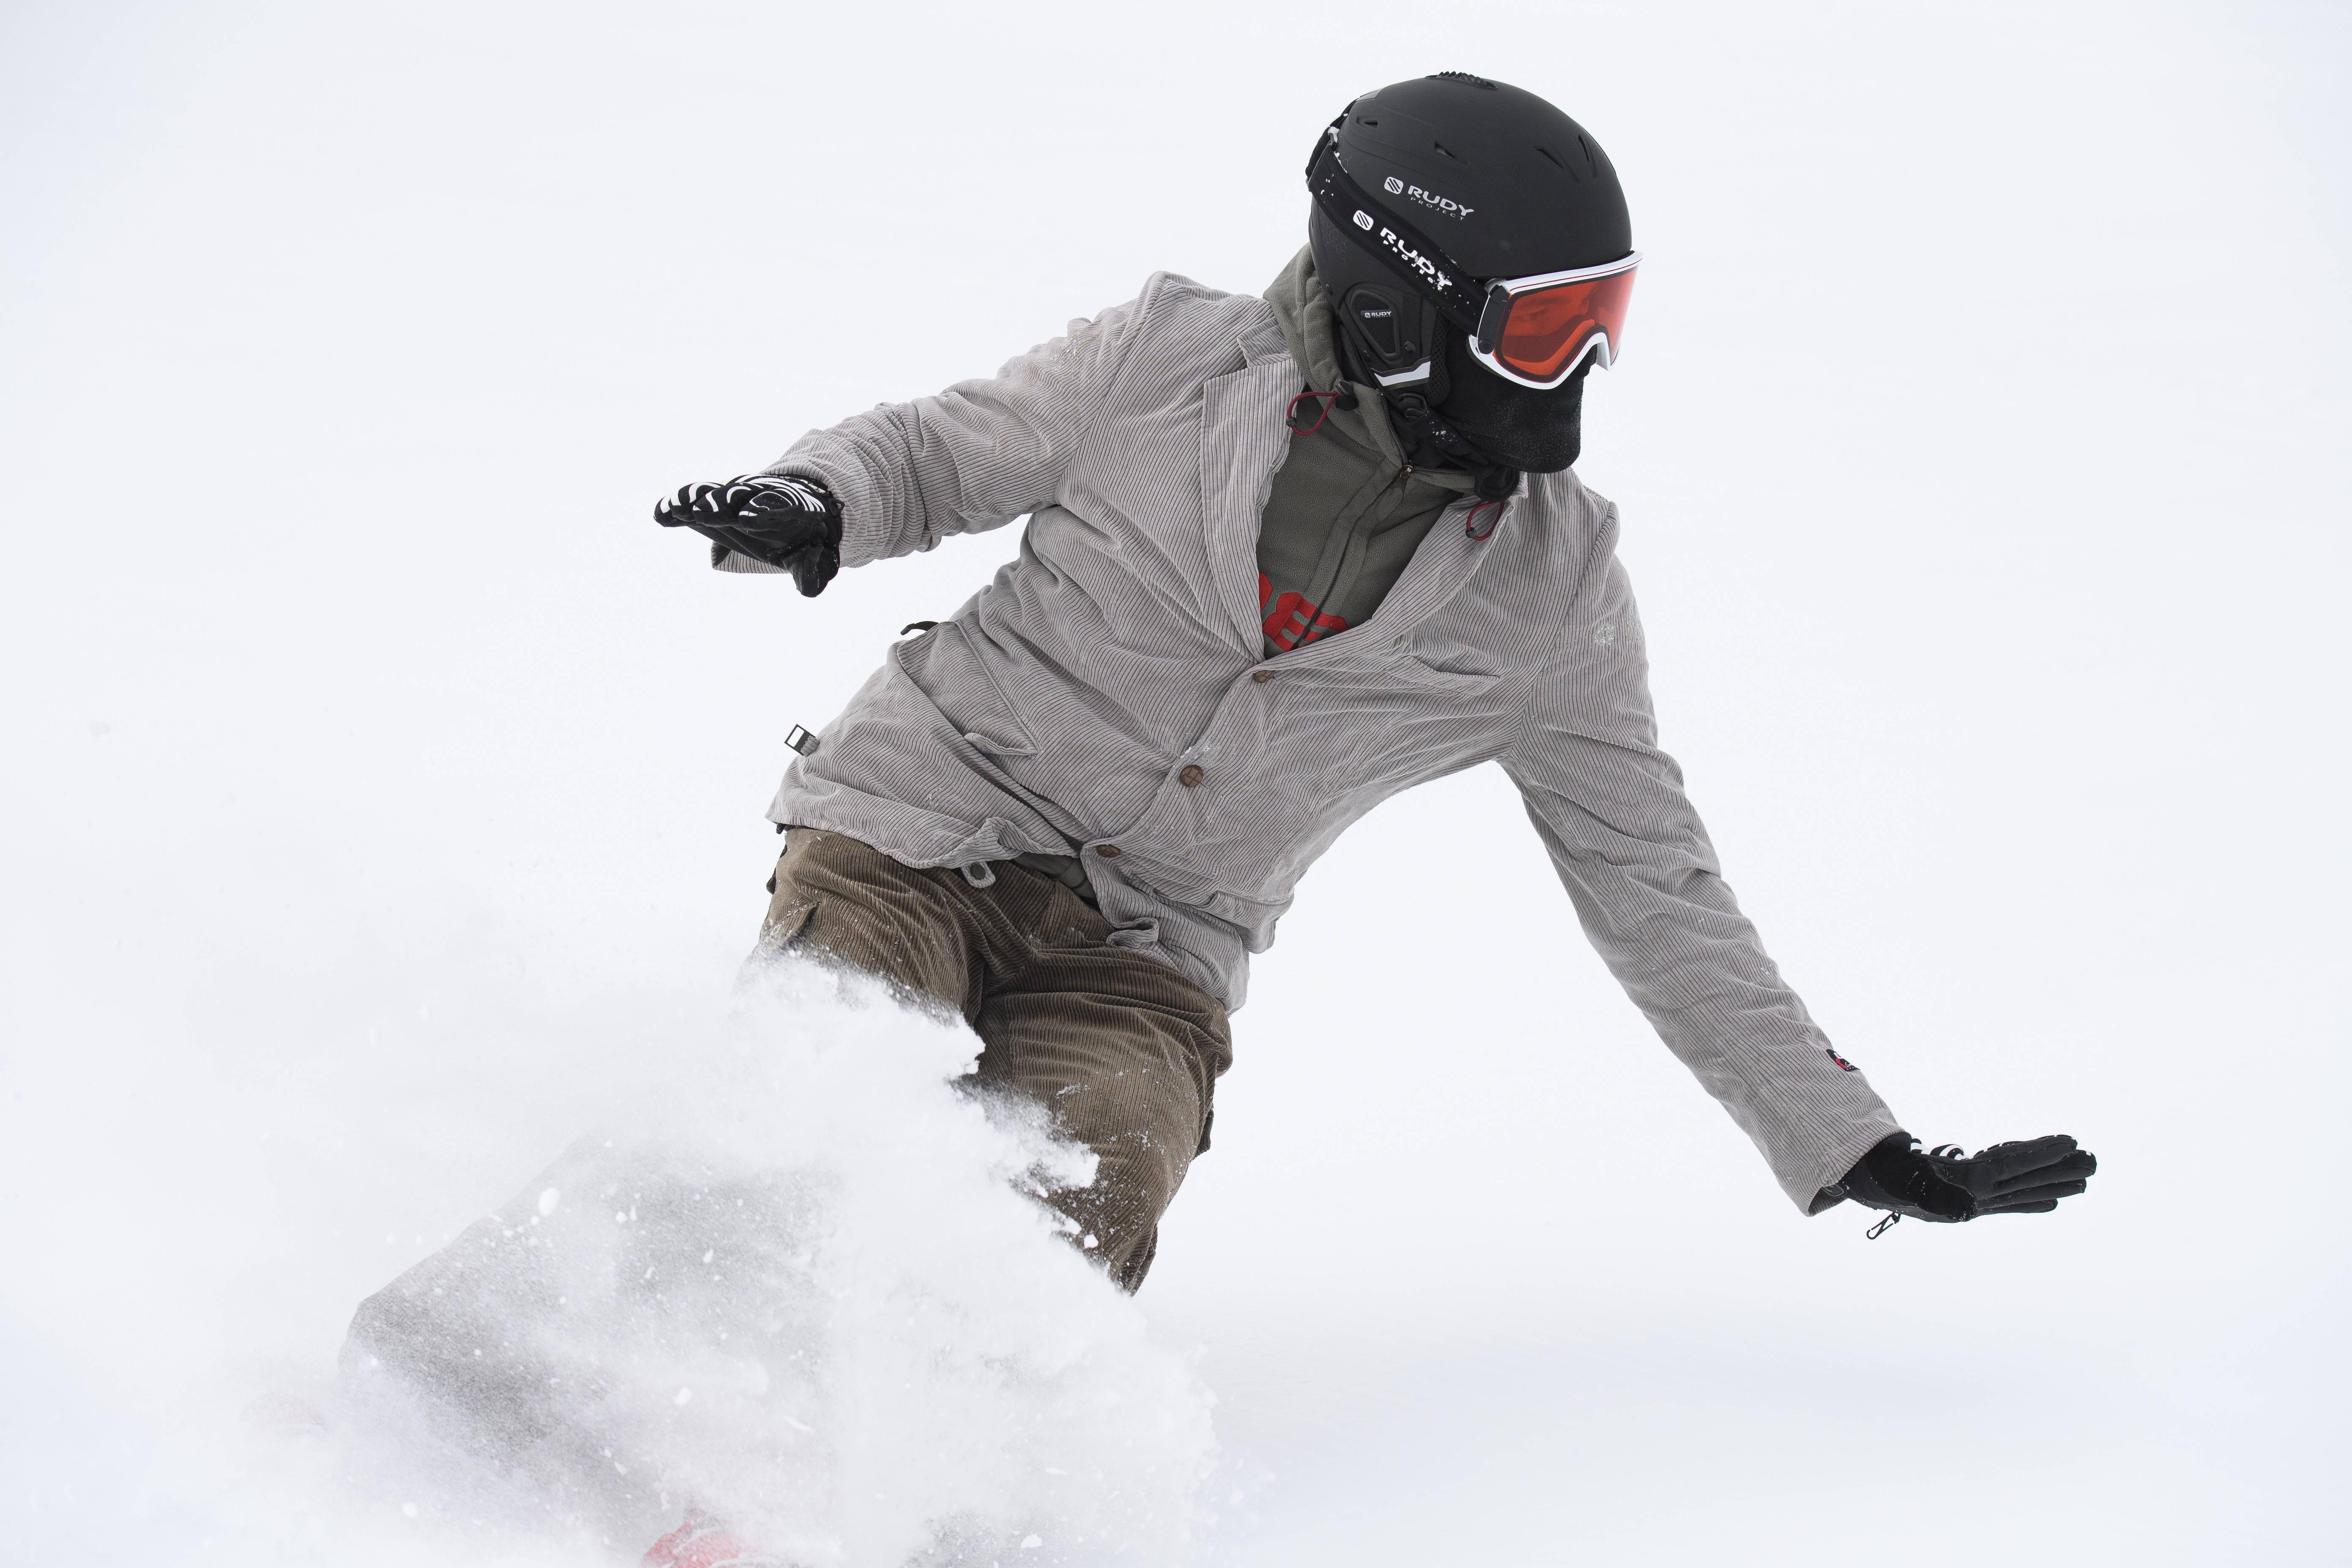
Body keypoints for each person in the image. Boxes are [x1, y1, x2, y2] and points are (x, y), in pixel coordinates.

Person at [346, 72, 2094, 1555]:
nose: (1575, 375)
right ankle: (476, 1356)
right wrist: (816, 501)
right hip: (923, 822)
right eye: (1544, 327)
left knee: (1088, 1165)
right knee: (827, 1056)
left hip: (1150, 953)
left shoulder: (1552, 589)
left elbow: (1657, 885)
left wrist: (1849, 1142)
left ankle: (874, 1494)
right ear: (1407, 300)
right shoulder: (1167, 361)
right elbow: (939, 450)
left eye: (1599, 328)